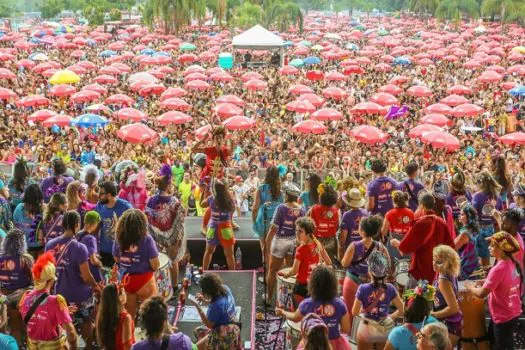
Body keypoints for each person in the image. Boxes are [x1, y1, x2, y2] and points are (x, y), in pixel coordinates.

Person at [45, 210, 101, 349]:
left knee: (65, 327)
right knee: (86, 324)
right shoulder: (79, 247)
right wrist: (96, 286)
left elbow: (48, 272)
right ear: (77, 224)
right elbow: (87, 277)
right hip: (80, 296)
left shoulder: (50, 244)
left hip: (59, 295)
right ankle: (88, 346)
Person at [466, 231, 523, 350]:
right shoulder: (512, 262)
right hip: (513, 311)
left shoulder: (498, 268)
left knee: (503, 347)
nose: (489, 247)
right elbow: (504, 282)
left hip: (503, 316)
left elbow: (481, 294)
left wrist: (470, 288)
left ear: (502, 249)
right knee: (498, 343)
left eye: (492, 245)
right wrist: (486, 282)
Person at [276, 265, 351, 350]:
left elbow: (295, 318)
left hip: (312, 344)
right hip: (335, 345)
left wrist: (282, 312)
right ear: (333, 284)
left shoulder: (306, 304)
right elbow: (346, 329)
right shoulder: (340, 304)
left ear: (313, 284)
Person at [18, 251, 78, 349]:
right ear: (51, 280)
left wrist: (62, 312)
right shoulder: (56, 301)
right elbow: (71, 333)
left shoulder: (25, 296)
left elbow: (33, 319)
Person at [392, 193, 454, 286]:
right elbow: (450, 246)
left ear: (421, 205)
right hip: (438, 268)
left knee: (415, 295)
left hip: (421, 267)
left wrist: (397, 243)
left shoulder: (419, 224)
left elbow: (405, 247)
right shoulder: (441, 222)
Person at [341, 215, 389, 326]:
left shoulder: (354, 246)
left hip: (353, 281)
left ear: (361, 231)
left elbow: (344, 264)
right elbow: (387, 267)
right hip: (372, 284)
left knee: (351, 313)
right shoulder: (381, 247)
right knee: (369, 314)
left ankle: (352, 337)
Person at [145, 164, 186, 293]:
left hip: (155, 239)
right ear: (168, 185)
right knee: (173, 262)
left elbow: (147, 220)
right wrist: (176, 242)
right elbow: (180, 223)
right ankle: (174, 287)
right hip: (171, 240)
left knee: (158, 262)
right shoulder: (174, 201)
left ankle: (160, 288)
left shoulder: (150, 200)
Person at [351, 250, 404, 350]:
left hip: (366, 327)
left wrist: (364, 312)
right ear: (385, 272)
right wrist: (390, 317)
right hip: (384, 328)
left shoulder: (362, 288)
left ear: (370, 271)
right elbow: (402, 310)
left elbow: (354, 312)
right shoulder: (390, 288)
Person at [112, 209, 160, 320]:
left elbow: (116, 258)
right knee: (152, 316)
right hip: (145, 281)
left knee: (129, 317)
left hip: (126, 281)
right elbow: (155, 265)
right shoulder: (147, 239)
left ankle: (130, 336)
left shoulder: (118, 238)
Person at [277, 217, 331, 307]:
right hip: (315, 286)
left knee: (298, 315)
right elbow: (329, 262)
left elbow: (294, 271)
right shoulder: (318, 244)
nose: (297, 234)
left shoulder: (301, 250)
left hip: (302, 288)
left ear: (309, 233)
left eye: (300, 231)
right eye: (296, 230)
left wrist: (286, 275)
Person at [265, 183, 305, 304]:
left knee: (272, 270)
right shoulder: (301, 209)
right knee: (290, 271)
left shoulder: (281, 208)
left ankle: (269, 297)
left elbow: (273, 228)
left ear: (287, 195)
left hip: (280, 241)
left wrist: (266, 244)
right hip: (294, 242)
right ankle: (287, 300)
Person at [186, 273, 241, 350]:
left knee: (195, 348)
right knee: (197, 331)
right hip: (233, 325)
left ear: (207, 291)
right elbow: (219, 303)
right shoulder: (225, 288)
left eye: (202, 289)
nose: (201, 291)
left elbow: (209, 325)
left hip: (224, 332)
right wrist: (204, 300)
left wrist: (198, 307)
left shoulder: (215, 306)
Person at [0, 228, 33, 344]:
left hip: (6, 299)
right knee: (27, 327)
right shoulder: (25, 259)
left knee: (14, 328)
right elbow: (34, 280)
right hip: (23, 299)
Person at [385, 280, 438, 350]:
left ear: (405, 308)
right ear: (426, 308)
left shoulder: (397, 333)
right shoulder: (434, 324)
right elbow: (448, 346)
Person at [430, 245, 462, 347]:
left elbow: (454, 308)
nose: (434, 264)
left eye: (439, 262)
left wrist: (433, 315)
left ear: (448, 263)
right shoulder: (447, 273)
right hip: (452, 323)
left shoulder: (443, 280)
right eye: (434, 260)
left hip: (449, 324)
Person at [201, 179, 236, 270]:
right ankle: (234, 274)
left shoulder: (211, 199)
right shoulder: (230, 199)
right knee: (230, 255)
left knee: (208, 252)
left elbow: (202, 204)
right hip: (226, 227)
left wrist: (205, 192)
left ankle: (204, 272)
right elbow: (233, 209)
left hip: (213, 227)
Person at [96, 181, 133, 267]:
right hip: (104, 251)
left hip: (120, 252)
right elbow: (97, 226)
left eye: (101, 193)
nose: (98, 196)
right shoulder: (99, 206)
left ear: (109, 195)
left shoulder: (126, 207)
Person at [252, 166, 283, 267]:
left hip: (264, 220)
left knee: (264, 247)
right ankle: (276, 269)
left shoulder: (261, 188)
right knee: (276, 247)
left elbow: (255, 207)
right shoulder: (280, 189)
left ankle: (267, 271)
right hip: (277, 221)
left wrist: (254, 221)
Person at [472, 171, 503, 266]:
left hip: (480, 228)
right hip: (493, 228)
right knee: (494, 254)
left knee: (483, 257)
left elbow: (473, 213)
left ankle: (487, 276)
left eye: (477, 182)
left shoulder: (477, 196)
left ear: (480, 183)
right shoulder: (497, 196)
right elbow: (500, 212)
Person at [96, 283, 135, 350]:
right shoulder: (125, 318)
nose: (125, 293)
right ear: (119, 298)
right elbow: (127, 346)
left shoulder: (102, 315)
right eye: (123, 291)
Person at [308, 183, 340, 262]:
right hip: (331, 243)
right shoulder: (335, 210)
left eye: (319, 194)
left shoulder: (314, 209)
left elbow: (309, 225)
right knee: (329, 265)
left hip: (317, 242)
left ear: (322, 197)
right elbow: (337, 227)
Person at [12, 184, 44, 258]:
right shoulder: (19, 208)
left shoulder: (43, 211)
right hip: (22, 249)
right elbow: (15, 227)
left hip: (36, 250)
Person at [382, 190, 414, 261]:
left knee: (393, 264)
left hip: (393, 243)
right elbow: (413, 230)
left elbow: (384, 232)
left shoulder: (389, 214)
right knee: (408, 265)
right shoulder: (411, 212)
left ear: (394, 201)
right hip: (407, 243)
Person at [338, 188, 368, 260]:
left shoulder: (346, 215)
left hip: (351, 250)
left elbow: (343, 239)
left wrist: (341, 251)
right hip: (364, 249)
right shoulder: (365, 213)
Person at [78, 211, 103, 283]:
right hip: (91, 273)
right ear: (94, 224)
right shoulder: (90, 238)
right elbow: (93, 260)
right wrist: (100, 263)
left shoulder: (77, 234)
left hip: (80, 272)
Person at [455, 205, 480, 279]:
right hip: (472, 263)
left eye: (462, 214)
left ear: (469, 217)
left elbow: (453, 248)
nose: (459, 215)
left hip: (466, 266)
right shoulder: (471, 229)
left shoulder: (465, 233)